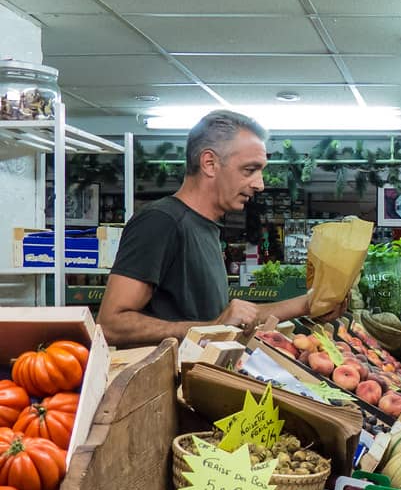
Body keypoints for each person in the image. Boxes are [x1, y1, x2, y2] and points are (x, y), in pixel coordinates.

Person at [99, 110, 321, 346]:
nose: (260, 184)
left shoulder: (205, 227)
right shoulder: (161, 221)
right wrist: (212, 328)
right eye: (249, 170)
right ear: (210, 163)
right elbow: (111, 324)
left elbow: (224, 320)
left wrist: (309, 304)